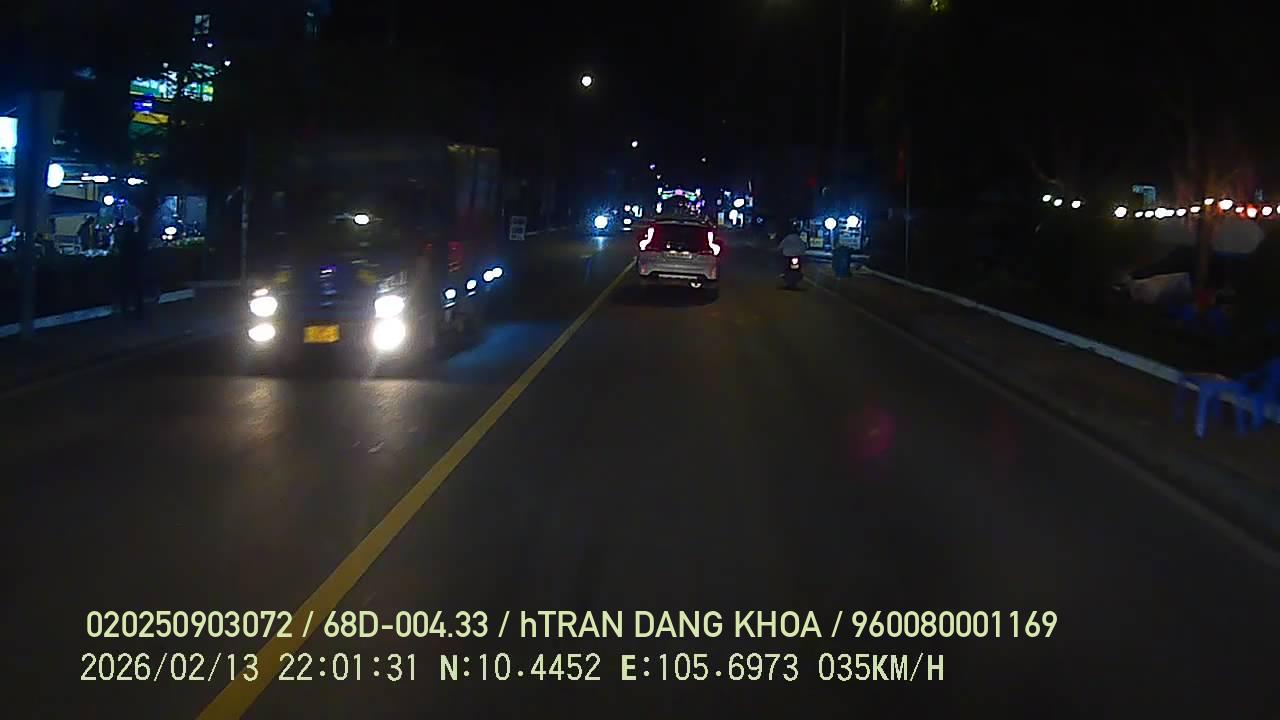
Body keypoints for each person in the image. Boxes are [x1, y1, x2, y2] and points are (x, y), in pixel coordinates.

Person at [115, 217, 146, 319]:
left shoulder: (125, 240)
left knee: (126, 289)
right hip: (136, 267)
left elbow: (121, 252)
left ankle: (126, 309)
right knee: (136, 290)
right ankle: (138, 310)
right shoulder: (136, 238)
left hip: (127, 267)